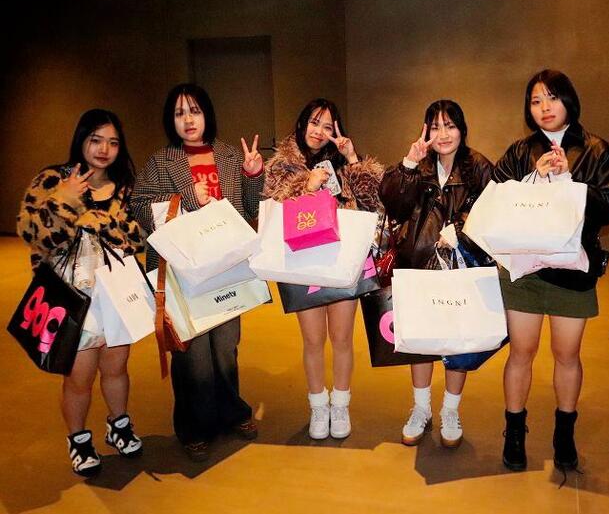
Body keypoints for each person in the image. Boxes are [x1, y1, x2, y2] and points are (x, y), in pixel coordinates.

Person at [493, 69, 609, 472]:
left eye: (552, 98)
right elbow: (496, 198)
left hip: (571, 270)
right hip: (524, 268)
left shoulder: (596, 149)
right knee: (521, 352)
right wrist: (534, 177)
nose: (544, 107)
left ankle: (565, 432)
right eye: (535, 101)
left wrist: (568, 181)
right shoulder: (520, 150)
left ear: (569, 100)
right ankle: (514, 431)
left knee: (567, 354)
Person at [130, 84, 264, 461]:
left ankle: (232, 412)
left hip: (225, 267)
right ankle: (193, 426)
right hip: (182, 272)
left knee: (225, 348)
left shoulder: (228, 155)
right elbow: (139, 206)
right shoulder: (161, 161)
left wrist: (252, 175)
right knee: (192, 354)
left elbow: (251, 208)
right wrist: (190, 198)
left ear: (207, 114)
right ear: (170, 120)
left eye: (195, 111)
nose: (188, 120)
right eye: (179, 113)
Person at [17, 109, 144, 476]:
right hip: (73, 297)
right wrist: (65, 199)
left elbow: (137, 236)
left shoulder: (123, 186)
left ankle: (119, 424)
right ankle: (78, 439)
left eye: (113, 142)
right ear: (81, 139)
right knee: (79, 377)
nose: (104, 149)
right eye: (96, 140)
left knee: (117, 367)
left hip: (116, 292)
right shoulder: (52, 180)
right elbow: (32, 234)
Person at [263, 98, 383, 440]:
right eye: (314, 123)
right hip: (302, 262)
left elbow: (373, 204)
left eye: (327, 126)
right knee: (313, 340)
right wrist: (307, 185)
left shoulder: (342, 164)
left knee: (342, 338)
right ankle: (318, 405)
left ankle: (340, 404)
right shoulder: (282, 164)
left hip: (341, 259)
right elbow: (272, 208)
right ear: (303, 123)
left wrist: (352, 159)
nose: (319, 131)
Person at [379, 99, 493, 448]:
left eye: (450, 126)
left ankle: (450, 410)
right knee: (421, 341)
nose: (443, 134)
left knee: (458, 340)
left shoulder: (478, 166)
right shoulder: (419, 165)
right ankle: (421, 408)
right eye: (435, 127)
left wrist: (460, 229)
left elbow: (491, 210)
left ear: (462, 129)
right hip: (416, 265)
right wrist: (408, 164)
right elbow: (393, 205)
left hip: (460, 265)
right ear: (426, 131)